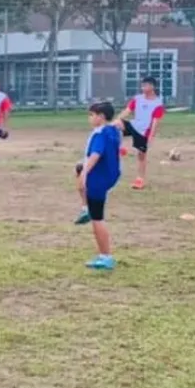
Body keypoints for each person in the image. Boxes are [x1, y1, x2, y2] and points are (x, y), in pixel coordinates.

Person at [75, 101, 123, 270]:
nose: (89, 118)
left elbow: (95, 154)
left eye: (92, 115)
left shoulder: (100, 135)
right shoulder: (112, 131)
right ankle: (85, 207)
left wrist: (85, 173)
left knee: (98, 219)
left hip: (98, 179)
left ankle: (105, 256)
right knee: (78, 168)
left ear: (101, 117)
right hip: (109, 175)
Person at [117, 76, 165, 190]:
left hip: (143, 132)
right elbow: (127, 111)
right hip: (133, 125)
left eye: (145, 85)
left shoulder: (158, 103)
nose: (143, 88)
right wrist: (117, 119)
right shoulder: (137, 98)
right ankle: (118, 148)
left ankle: (140, 180)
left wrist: (150, 137)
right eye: (142, 85)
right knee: (115, 127)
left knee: (141, 155)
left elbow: (155, 122)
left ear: (152, 87)